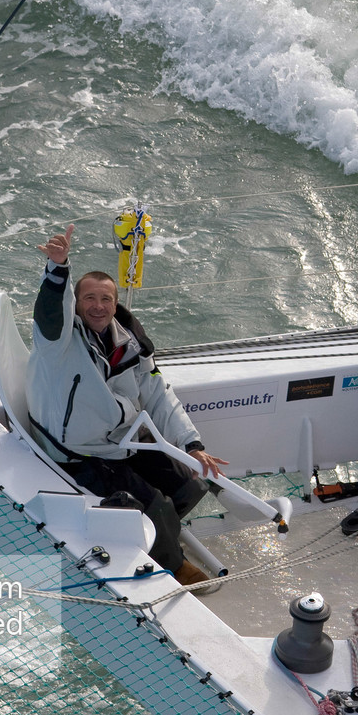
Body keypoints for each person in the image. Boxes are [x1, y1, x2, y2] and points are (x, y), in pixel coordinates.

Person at [28, 224, 226, 586]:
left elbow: (157, 394)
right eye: (89, 298)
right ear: (76, 302)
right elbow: (49, 314)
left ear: (115, 304)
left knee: (189, 485)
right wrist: (58, 269)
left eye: (106, 299)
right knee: (156, 503)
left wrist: (192, 444)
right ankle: (171, 561)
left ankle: (153, 533)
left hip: (123, 438)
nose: (98, 307)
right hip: (79, 450)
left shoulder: (131, 344)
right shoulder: (58, 342)